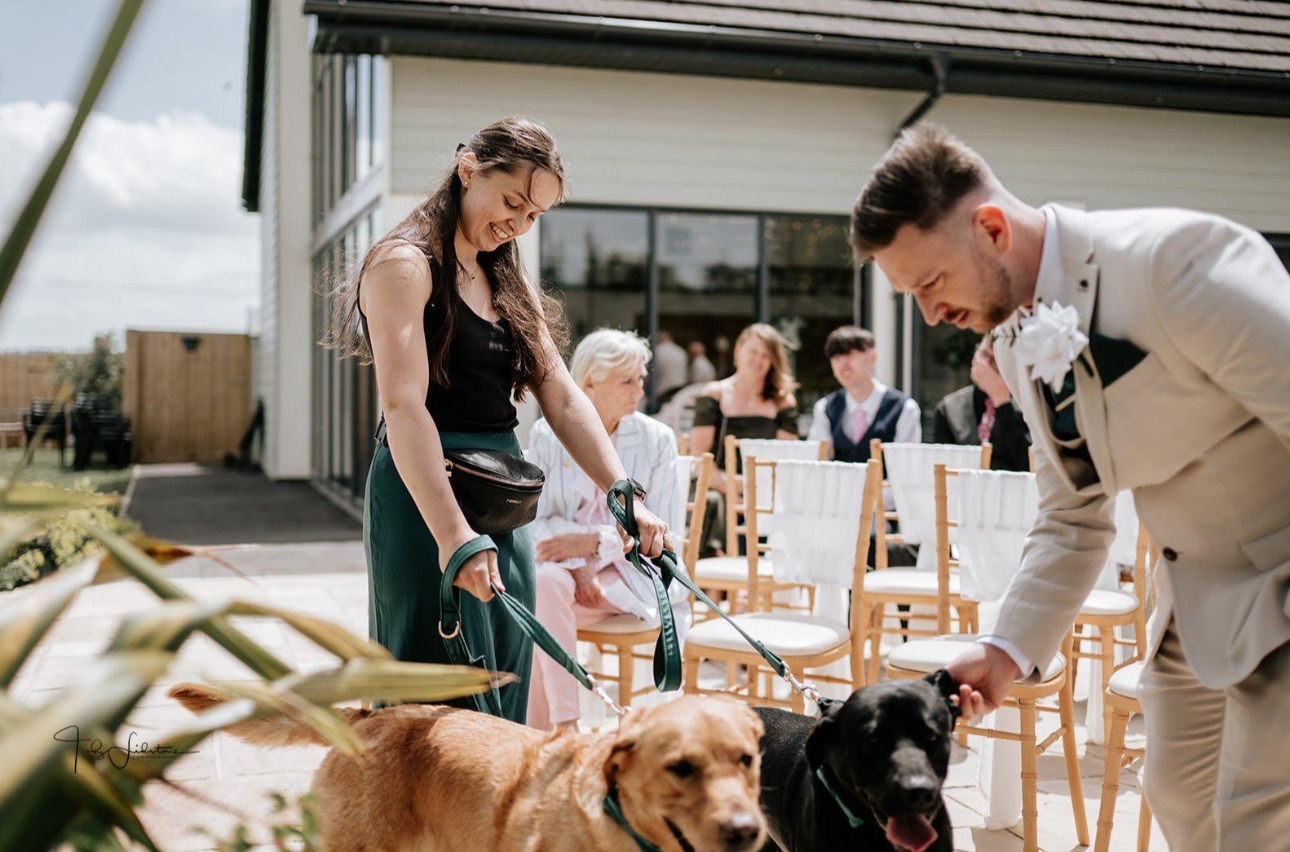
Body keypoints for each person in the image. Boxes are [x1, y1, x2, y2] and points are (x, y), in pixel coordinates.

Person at [851, 122, 1290, 851]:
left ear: (991, 229)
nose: (929, 315)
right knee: (1180, 798)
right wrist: (1003, 651)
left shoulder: (1174, 263)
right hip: (1191, 607)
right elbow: (1073, 517)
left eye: (930, 284)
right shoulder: (1016, 345)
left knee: (1256, 824)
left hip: (1280, 588)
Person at [327, 118, 668, 725]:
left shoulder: (506, 276)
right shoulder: (403, 264)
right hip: (426, 496)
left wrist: (623, 493)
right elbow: (403, 407)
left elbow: (561, 393)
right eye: (512, 202)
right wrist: (454, 536)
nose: (519, 224)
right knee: (429, 697)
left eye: (533, 215)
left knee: (504, 679)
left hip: (503, 495)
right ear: (469, 168)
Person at [525, 329, 691, 731]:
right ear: (589, 385)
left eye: (641, 379)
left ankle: (540, 734)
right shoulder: (546, 434)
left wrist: (594, 544)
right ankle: (567, 724)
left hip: (634, 575)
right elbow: (534, 518)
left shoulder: (657, 439)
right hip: (565, 573)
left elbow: (664, 532)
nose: (640, 390)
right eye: (626, 381)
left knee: (537, 613)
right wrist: (580, 564)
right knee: (544, 586)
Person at [688, 323, 800, 556]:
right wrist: (730, 488)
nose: (759, 360)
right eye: (753, 352)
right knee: (712, 505)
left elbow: (787, 458)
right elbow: (700, 457)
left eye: (766, 355)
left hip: (766, 493)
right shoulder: (714, 394)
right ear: (738, 351)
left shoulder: (783, 401)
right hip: (720, 487)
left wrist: (755, 492)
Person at [806, 325, 920, 462]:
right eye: (836, 358)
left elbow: (906, 465)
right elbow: (817, 461)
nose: (843, 365)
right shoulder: (825, 408)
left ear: (872, 358)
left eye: (850, 354)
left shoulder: (904, 409)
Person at [932, 338, 1031, 472]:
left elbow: (1029, 463)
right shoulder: (949, 408)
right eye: (984, 354)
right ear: (974, 358)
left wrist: (1002, 402)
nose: (986, 364)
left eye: (995, 360)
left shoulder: (1027, 406)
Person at [651, 329, 689, 406]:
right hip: (679, 389)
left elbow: (653, 372)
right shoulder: (681, 351)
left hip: (662, 390)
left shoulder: (657, 351)